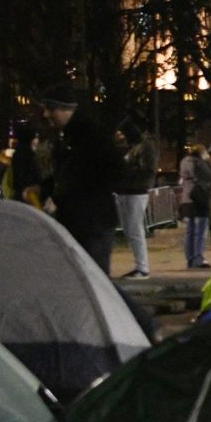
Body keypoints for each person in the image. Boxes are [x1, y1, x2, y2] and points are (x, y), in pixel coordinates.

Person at [41, 84, 123, 273]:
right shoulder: (72, 137)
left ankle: (123, 304)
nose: (46, 114)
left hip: (91, 222)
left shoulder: (89, 137)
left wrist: (67, 195)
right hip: (84, 220)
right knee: (89, 280)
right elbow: (66, 174)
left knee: (94, 280)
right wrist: (46, 188)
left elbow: (109, 172)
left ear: (66, 110)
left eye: (50, 109)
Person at [112, 113, 156, 279]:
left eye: (123, 132)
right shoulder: (134, 147)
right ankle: (140, 266)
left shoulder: (145, 147)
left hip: (136, 192)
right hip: (127, 191)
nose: (120, 136)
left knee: (135, 229)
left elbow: (147, 171)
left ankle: (142, 267)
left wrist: (125, 173)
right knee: (131, 229)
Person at [176, 140, 211, 269]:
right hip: (199, 199)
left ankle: (190, 258)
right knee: (201, 230)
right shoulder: (199, 163)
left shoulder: (184, 162)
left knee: (190, 231)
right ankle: (198, 258)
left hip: (187, 199)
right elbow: (210, 176)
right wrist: (208, 163)